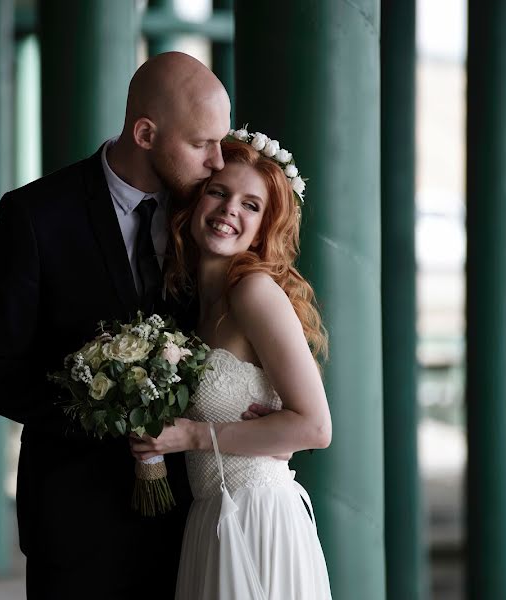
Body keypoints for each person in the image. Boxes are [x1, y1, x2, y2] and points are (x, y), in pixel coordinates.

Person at [0, 52, 232, 599]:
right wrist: (100, 409)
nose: (219, 163)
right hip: (73, 521)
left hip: (195, 517)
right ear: (146, 133)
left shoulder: (211, 214)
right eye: (202, 144)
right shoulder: (35, 216)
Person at [129, 133, 334, 599]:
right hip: (212, 516)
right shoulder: (192, 304)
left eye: (251, 205)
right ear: (195, 201)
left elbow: (316, 428)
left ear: (265, 228)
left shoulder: (254, 292)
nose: (229, 211)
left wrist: (192, 436)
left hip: (259, 516)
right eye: (219, 193)